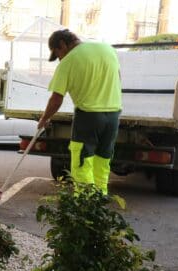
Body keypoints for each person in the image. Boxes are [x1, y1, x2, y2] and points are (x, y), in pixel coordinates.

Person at [38, 29, 122, 194]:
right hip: (113, 116)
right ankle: (98, 203)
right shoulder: (107, 49)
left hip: (88, 117)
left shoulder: (69, 61)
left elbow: (56, 99)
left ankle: (84, 208)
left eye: (58, 54)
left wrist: (44, 119)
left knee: (82, 163)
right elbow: (118, 78)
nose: (59, 59)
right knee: (102, 162)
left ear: (62, 44)